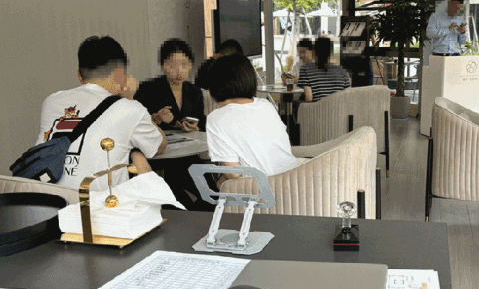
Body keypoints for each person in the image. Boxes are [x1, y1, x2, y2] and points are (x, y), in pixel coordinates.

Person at [36, 36, 167, 191]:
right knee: (136, 155)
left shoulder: (52, 101)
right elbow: (159, 145)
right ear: (122, 75)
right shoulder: (129, 109)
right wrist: (130, 98)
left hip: (47, 200)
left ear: (79, 75)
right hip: (96, 203)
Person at [207, 53, 298, 181]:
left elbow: (233, 174)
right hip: (294, 181)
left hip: (261, 188)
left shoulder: (216, 118)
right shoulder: (266, 105)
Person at [135, 38, 206, 131]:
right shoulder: (147, 89)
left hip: (190, 138)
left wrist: (196, 128)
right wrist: (155, 118)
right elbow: (135, 121)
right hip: (159, 138)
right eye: (172, 66)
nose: (179, 71)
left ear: (190, 65)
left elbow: (202, 122)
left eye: (184, 65)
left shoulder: (195, 91)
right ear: (162, 66)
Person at [298, 37, 351, 103]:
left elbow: (309, 98)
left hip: (317, 109)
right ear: (331, 52)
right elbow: (348, 96)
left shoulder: (305, 69)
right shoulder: (342, 71)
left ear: (313, 52)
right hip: (338, 108)